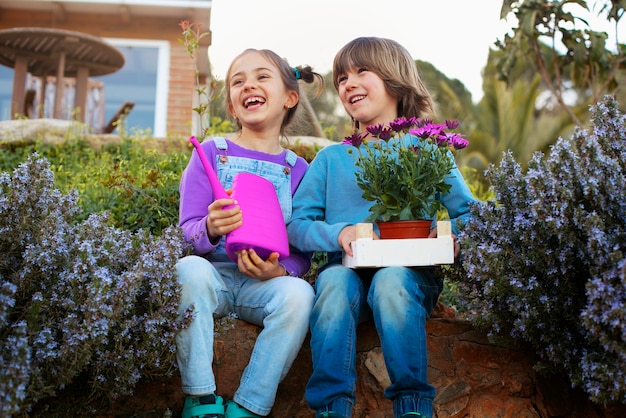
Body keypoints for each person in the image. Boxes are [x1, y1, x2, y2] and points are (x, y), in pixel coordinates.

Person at [286, 37, 477, 418]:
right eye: (341, 78)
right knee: (335, 284)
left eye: (361, 72)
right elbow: (298, 225)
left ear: (394, 79)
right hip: (346, 272)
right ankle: (331, 408)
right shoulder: (331, 159)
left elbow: (469, 213)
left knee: (391, 280)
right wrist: (338, 234)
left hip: (410, 279)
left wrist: (452, 236)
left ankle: (412, 406)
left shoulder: (429, 150)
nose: (348, 83)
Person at [176, 48, 324, 418]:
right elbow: (185, 233)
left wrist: (281, 271)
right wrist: (209, 228)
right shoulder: (210, 154)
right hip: (215, 278)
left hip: (262, 287)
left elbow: (300, 252)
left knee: (300, 294)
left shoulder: (299, 171)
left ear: (290, 97)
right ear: (231, 104)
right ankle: (201, 397)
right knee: (187, 271)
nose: (248, 86)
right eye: (237, 81)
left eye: (261, 77)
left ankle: (251, 404)